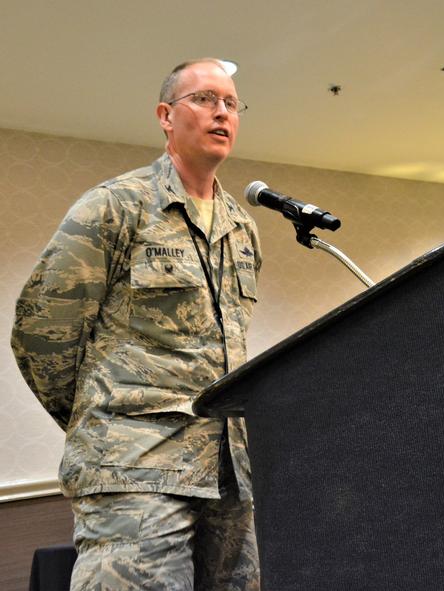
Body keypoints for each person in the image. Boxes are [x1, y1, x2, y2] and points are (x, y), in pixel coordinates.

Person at [11, 58, 262, 590]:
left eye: (231, 103)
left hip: (229, 474)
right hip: (134, 469)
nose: (221, 112)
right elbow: (42, 333)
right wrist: (106, 424)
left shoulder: (244, 227)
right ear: (166, 116)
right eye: (204, 99)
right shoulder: (114, 206)